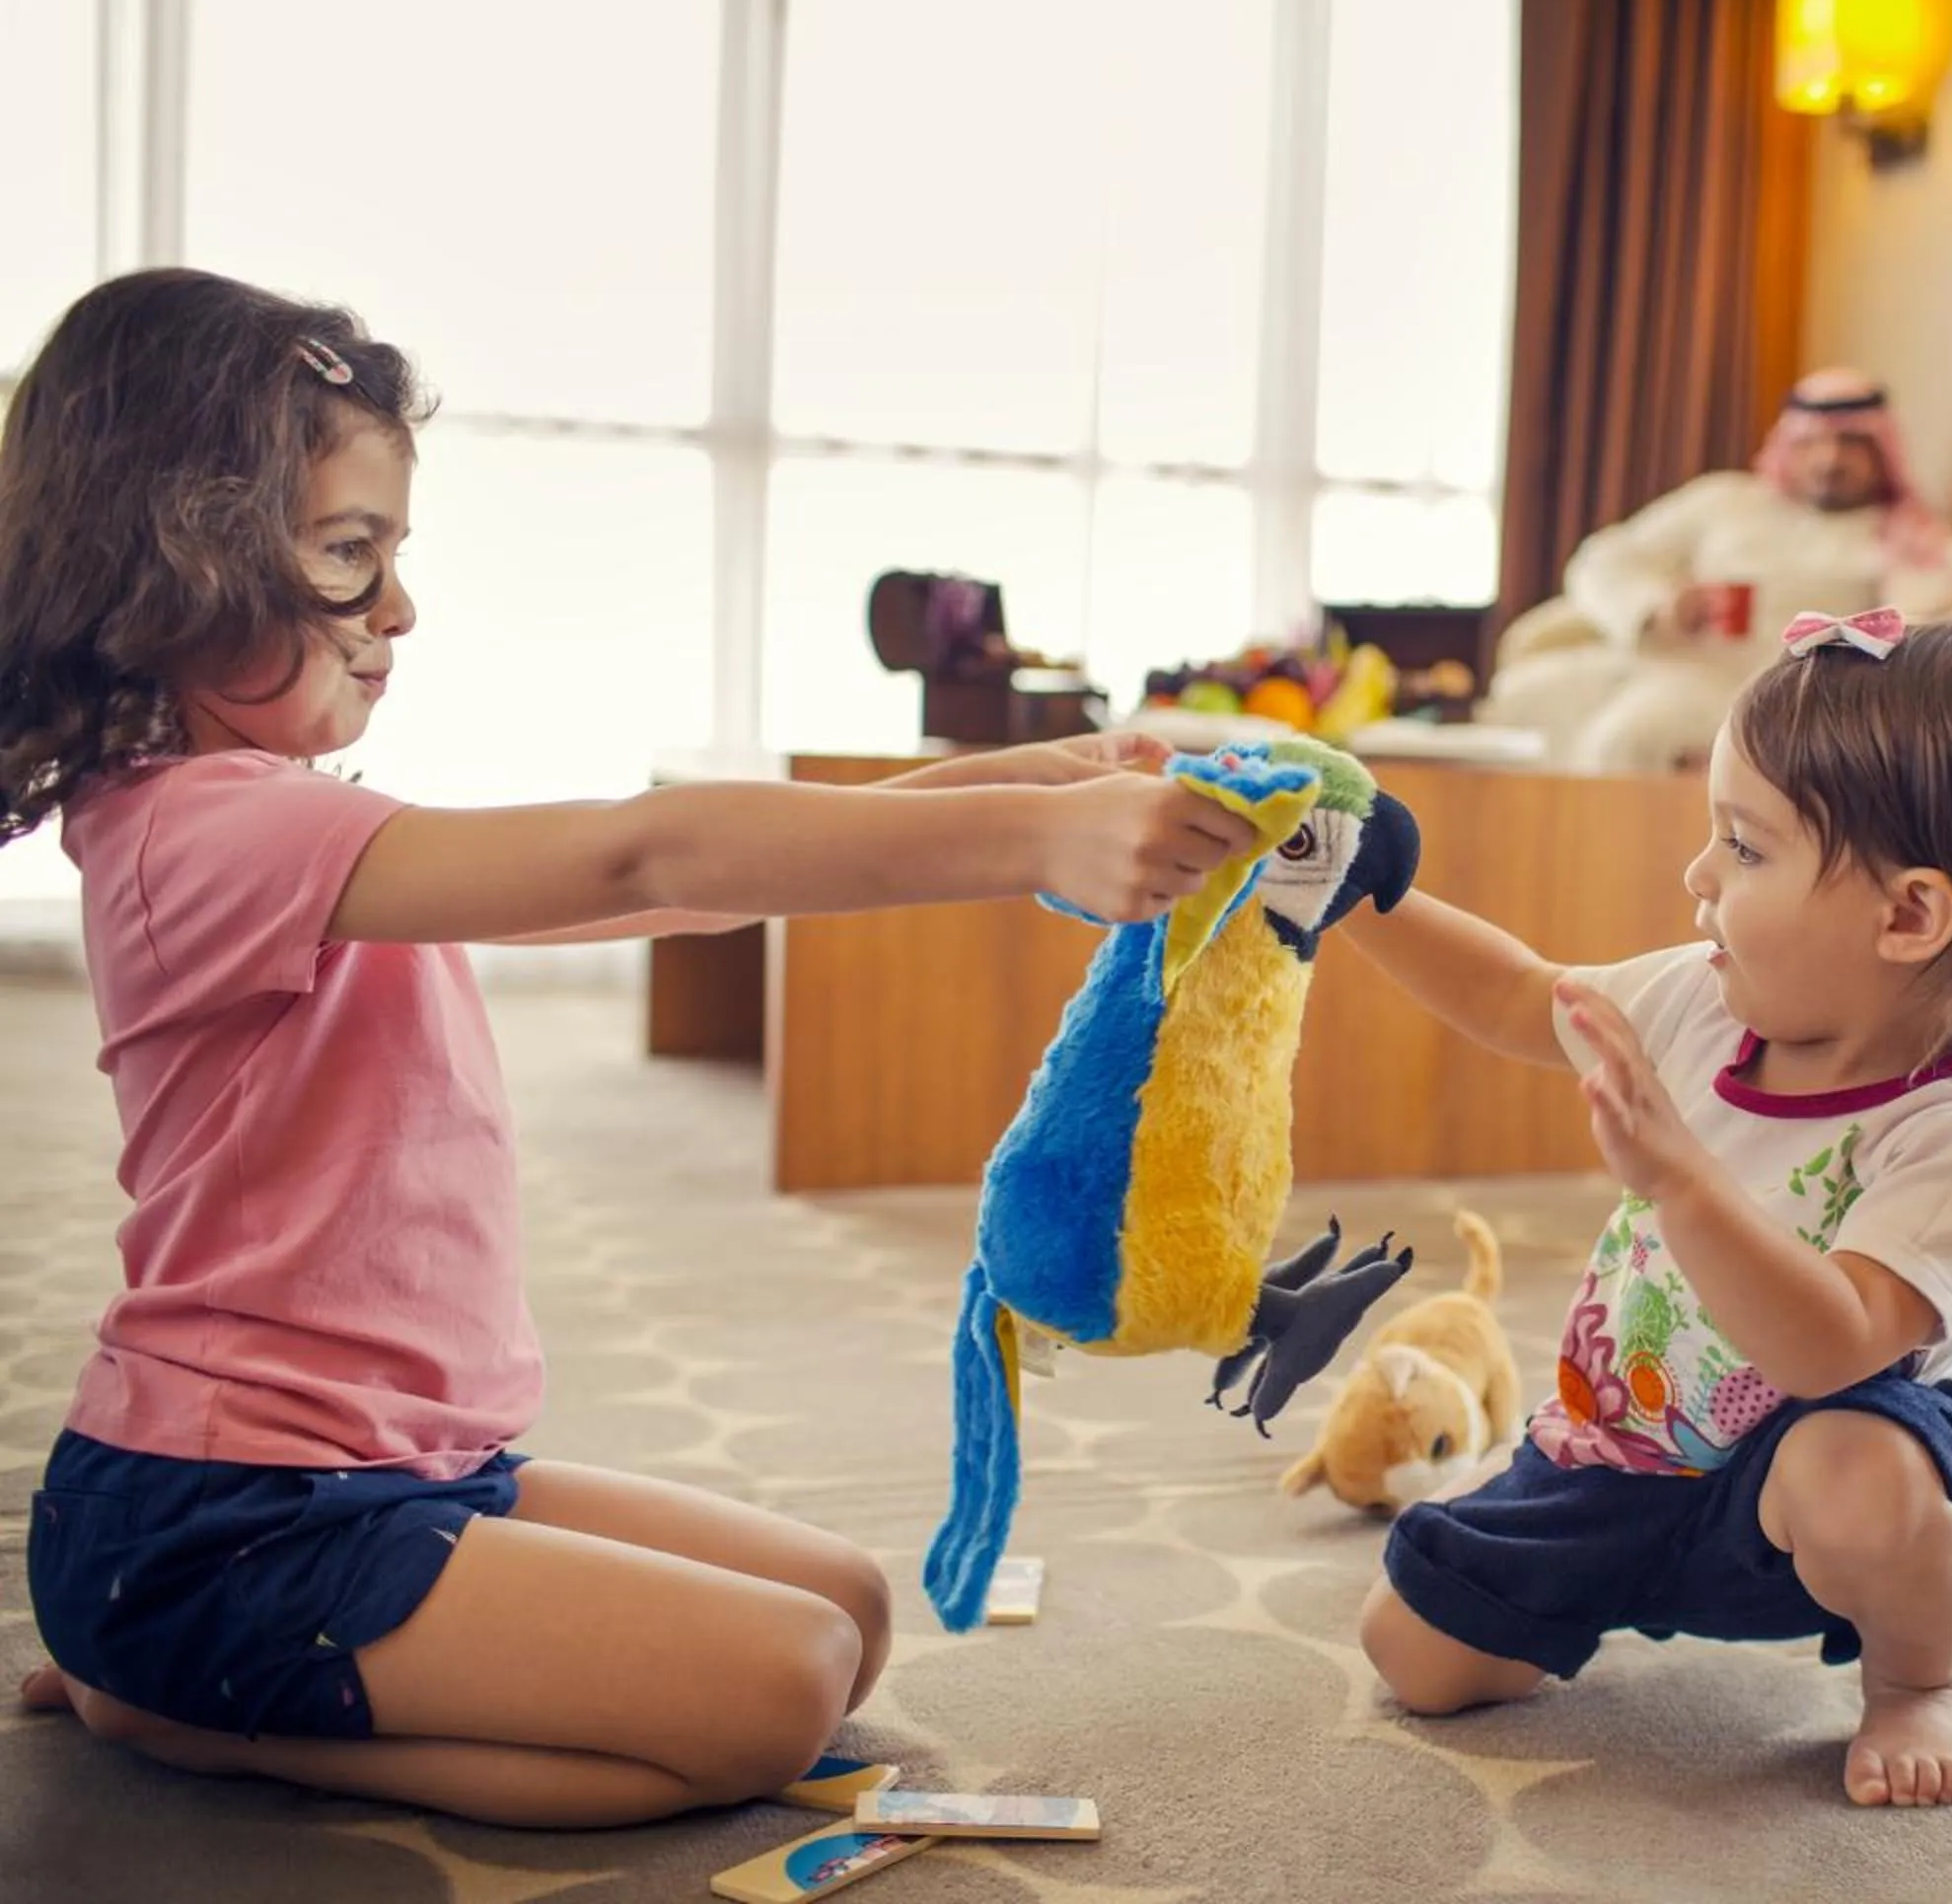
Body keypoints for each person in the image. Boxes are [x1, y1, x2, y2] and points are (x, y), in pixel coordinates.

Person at [0, 268, 1260, 1828]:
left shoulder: (278, 826)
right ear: (175, 559)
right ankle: (187, 1715)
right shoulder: (198, 832)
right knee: (772, 1693)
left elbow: (685, 887)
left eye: (393, 555)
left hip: (403, 1468)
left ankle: (203, 1675)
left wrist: (1033, 774)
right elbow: (641, 858)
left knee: (846, 1611)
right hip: (230, 1518)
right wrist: (1033, 839)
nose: (399, 609)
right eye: (349, 555)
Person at [1341, 611, 1952, 1808]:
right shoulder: (1703, 998)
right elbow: (1512, 994)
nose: (1698, 874)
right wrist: (1356, 893)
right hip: (1623, 1444)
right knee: (1416, 1656)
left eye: (1745, 848)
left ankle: (1921, 1673)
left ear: (1910, 914)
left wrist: (1680, 1180)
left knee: (1866, 1478)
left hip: (1806, 1466)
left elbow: (1828, 1344)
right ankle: (1592, 1562)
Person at [1480, 369, 1952, 771]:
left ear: (1882, 449)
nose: (1829, 459)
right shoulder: (1725, 501)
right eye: (1812, 442)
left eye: (1850, 442)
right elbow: (1605, 557)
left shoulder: (1910, 535)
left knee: (1630, 739)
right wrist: (1657, 604)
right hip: (1682, 668)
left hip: (1787, 693)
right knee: (1534, 698)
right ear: (1789, 445)